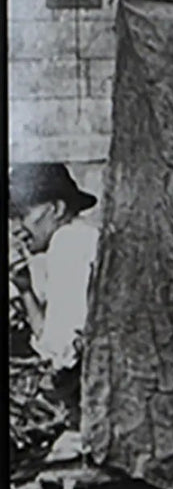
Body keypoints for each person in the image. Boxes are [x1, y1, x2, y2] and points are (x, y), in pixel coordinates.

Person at [8, 163, 101, 417]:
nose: (16, 229)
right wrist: (25, 289)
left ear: (57, 209)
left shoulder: (69, 242)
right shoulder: (77, 238)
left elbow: (59, 355)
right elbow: (54, 341)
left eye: (22, 215)